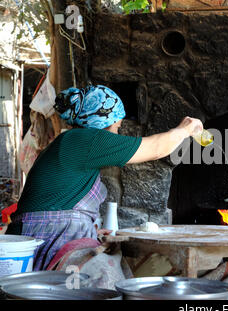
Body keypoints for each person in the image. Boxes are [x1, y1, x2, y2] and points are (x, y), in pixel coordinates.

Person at [6, 84, 203, 271]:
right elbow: (157, 148)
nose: (118, 131)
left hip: (47, 233)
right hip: (46, 237)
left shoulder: (73, 142)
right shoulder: (86, 140)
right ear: (103, 122)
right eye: (117, 127)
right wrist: (185, 130)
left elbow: (61, 202)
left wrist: (92, 231)